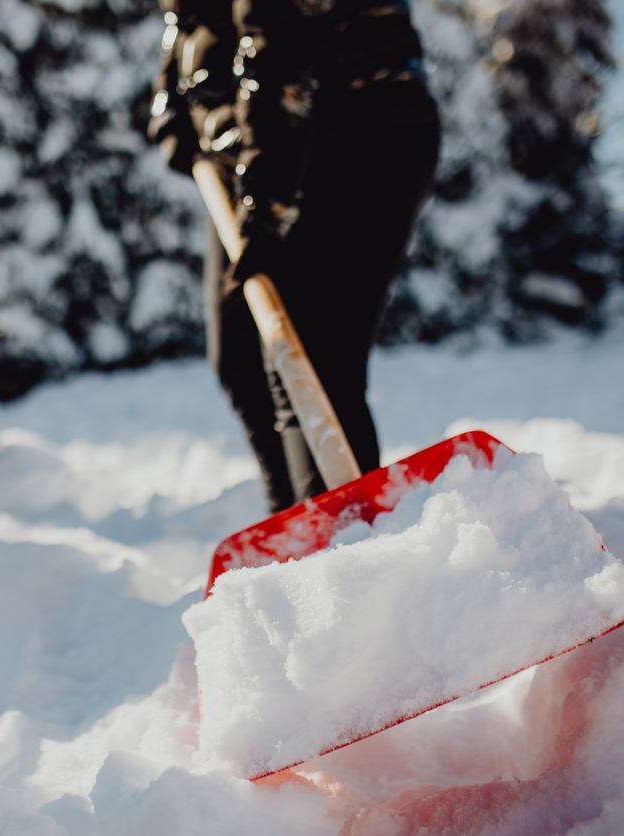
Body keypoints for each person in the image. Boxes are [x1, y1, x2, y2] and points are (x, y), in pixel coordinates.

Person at [149, 0, 440, 513]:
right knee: (241, 356)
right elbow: (191, 17)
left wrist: (266, 212)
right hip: (260, 147)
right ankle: (296, 531)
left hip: (357, 117)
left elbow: (277, 48)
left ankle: (348, 548)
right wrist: (176, 94)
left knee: (312, 359)